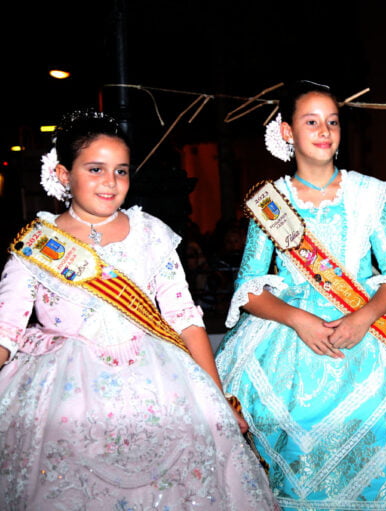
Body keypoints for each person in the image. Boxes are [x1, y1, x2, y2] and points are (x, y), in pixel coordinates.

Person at [0, 110, 277, 510]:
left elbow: (185, 318)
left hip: (161, 386)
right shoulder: (37, 246)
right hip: (63, 396)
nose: (110, 182)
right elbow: (6, 331)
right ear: (63, 174)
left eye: (121, 171)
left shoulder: (149, 233)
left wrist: (218, 399)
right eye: (95, 169)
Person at [214, 81, 386, 511]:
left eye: (332, 122)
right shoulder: (270, 202)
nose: (324, 130)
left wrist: (364, 316)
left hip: (365, 331)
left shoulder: (369, 194)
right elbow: (250, 287)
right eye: (311, 121)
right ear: (286, 132)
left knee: (381, 424)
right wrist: (297, 318)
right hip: (289, 340)